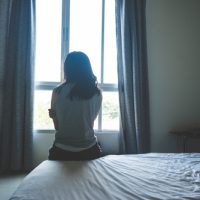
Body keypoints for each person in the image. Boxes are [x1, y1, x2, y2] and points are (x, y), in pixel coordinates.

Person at [48, 51, 102, 161]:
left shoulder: (57, 92)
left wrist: (53, 115)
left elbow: (57, 127)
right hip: (89, 150)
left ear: (67, 68)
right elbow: (90, 125)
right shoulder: (97, 93)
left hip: (62, 150)